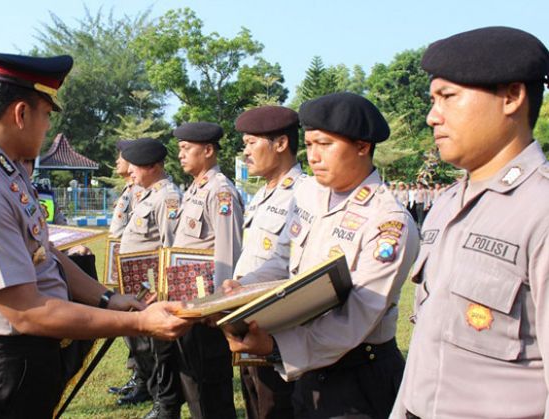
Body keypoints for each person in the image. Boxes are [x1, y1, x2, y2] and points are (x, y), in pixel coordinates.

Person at [0, 48, 192, 418]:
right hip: (2, 370)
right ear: (21, 114)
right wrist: (138, 323)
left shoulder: (5, 171)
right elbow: (28, 312)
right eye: (46, 115)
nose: (48, 127)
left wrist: (107, 299)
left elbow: (45, 253)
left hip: (24, 360)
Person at [224, 93, 419, 418]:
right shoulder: (309, 195)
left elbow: (356, 317)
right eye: (310, 145)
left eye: (325, 145)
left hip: (358, 376)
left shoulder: (389, 222)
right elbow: (284, 259)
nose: (314, 157)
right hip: (308, 369)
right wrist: (242, 287)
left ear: (362, 146)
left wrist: (275, 347)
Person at [392, 26, 549, 419]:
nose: (432, 117)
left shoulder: (540, 211)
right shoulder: (447, 204)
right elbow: (426, 351)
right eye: (432, 100)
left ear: (512, 97)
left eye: (448, 97)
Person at [232, 105, 305, 419]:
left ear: (281, 144)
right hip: (249, 318)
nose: (245, 152)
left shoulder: (304, 194)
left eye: (251, 143)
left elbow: (290, 265)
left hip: (279, 328)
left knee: (275, 407)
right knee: (254, 401)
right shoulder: (262, 194)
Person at [172, 121, 244, 418]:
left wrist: (219, 306)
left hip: (208, 310)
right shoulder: (194, 189)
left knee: (212, 388)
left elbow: (228, 251)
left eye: (186, 148)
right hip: (188, 302)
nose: (180, 155)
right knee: (193, 381)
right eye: (180, 149)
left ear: (208, 150)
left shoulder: (220, 191)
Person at [116, 138, 183, 418]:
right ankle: (158, 398)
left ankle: (166, 406)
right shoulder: (145, 194)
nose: (130, 170)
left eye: (136, 166)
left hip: (155, 288)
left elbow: (170, 247)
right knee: (148, 347)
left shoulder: (167, 198)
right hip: (140, 286)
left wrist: (162, 289)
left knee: (162, 350)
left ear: (153, 166)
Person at [106, 139, 150, 400]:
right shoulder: (128, 190)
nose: (117, 161)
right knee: (130, 333)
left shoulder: (139, 191)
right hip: (121, 269)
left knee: (138, 331)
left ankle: (143, 382)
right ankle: (138, 377)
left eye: (121, 156)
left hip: (136, 270)